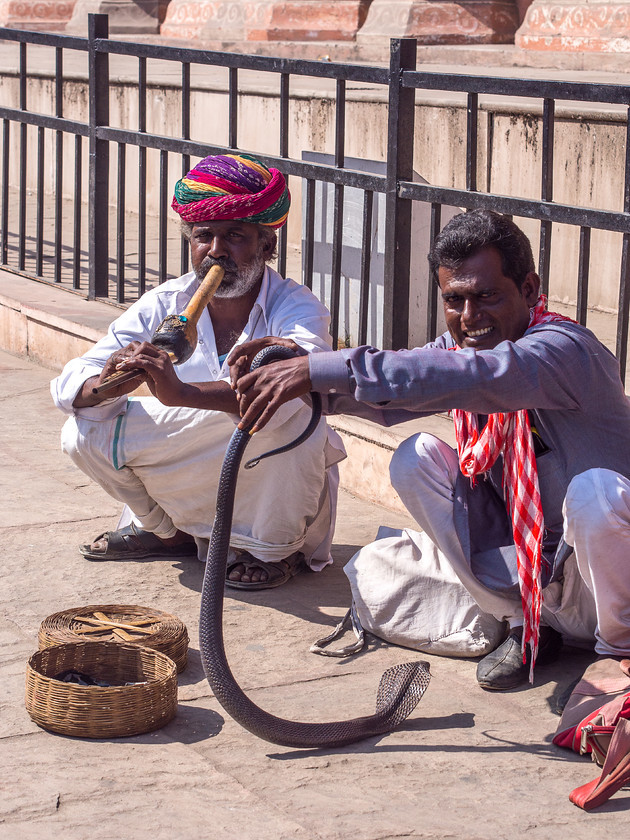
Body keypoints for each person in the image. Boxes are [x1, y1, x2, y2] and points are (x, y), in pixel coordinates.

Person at [229, 209, 630, 689]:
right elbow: (386, 388)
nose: (470, 318)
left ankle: (619, 655)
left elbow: (469, 377)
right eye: (454, 300)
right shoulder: (460, 349)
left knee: (596, 493)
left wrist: (319, 368)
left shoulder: (565, 350)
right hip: (539, 576)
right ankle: (527, 627)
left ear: (528, 289)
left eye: (486, 296)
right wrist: (209, 387)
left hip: (609, 584)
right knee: (415, 456)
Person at [51, 152, 345, 590]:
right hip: (202, 450)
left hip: (266, 468)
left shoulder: (297, 304)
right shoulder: (168, 301)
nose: (217, 251)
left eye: (235, 236)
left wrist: (182, 393)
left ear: (268, 245)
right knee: (83, 431)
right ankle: (167, 533)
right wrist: (107, 383)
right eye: (204, 236)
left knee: (296, 414)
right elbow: (77, 377)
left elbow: (296, 382)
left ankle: (272, 550)